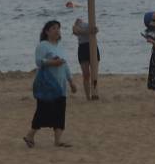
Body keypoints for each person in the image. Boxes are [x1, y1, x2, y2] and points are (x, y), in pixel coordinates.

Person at [23, 20, 76, 148]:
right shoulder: (43, 45)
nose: (57, 30)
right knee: (43, 110)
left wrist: (71, 81)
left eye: (58, 28)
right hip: (47, 84)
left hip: (61, 84)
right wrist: (52, 62)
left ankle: (58, 140)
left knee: (60, 112)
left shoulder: (60, 46)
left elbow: (65, 65)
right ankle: (30, 135)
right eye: (53, 28)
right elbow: (39, 62)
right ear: (47, 31)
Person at [72, 17, 100, 100]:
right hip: (83, 48)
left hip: (93, 45)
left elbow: (96, 29)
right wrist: (88, 32)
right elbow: (76, 32)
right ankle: (88, 97)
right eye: (78, 20)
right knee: (86, 74)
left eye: (80, 19)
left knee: (94, 73)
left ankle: (95, 93)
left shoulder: (90, 23)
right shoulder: (76, 26)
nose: (79, 20)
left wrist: (91, 31)